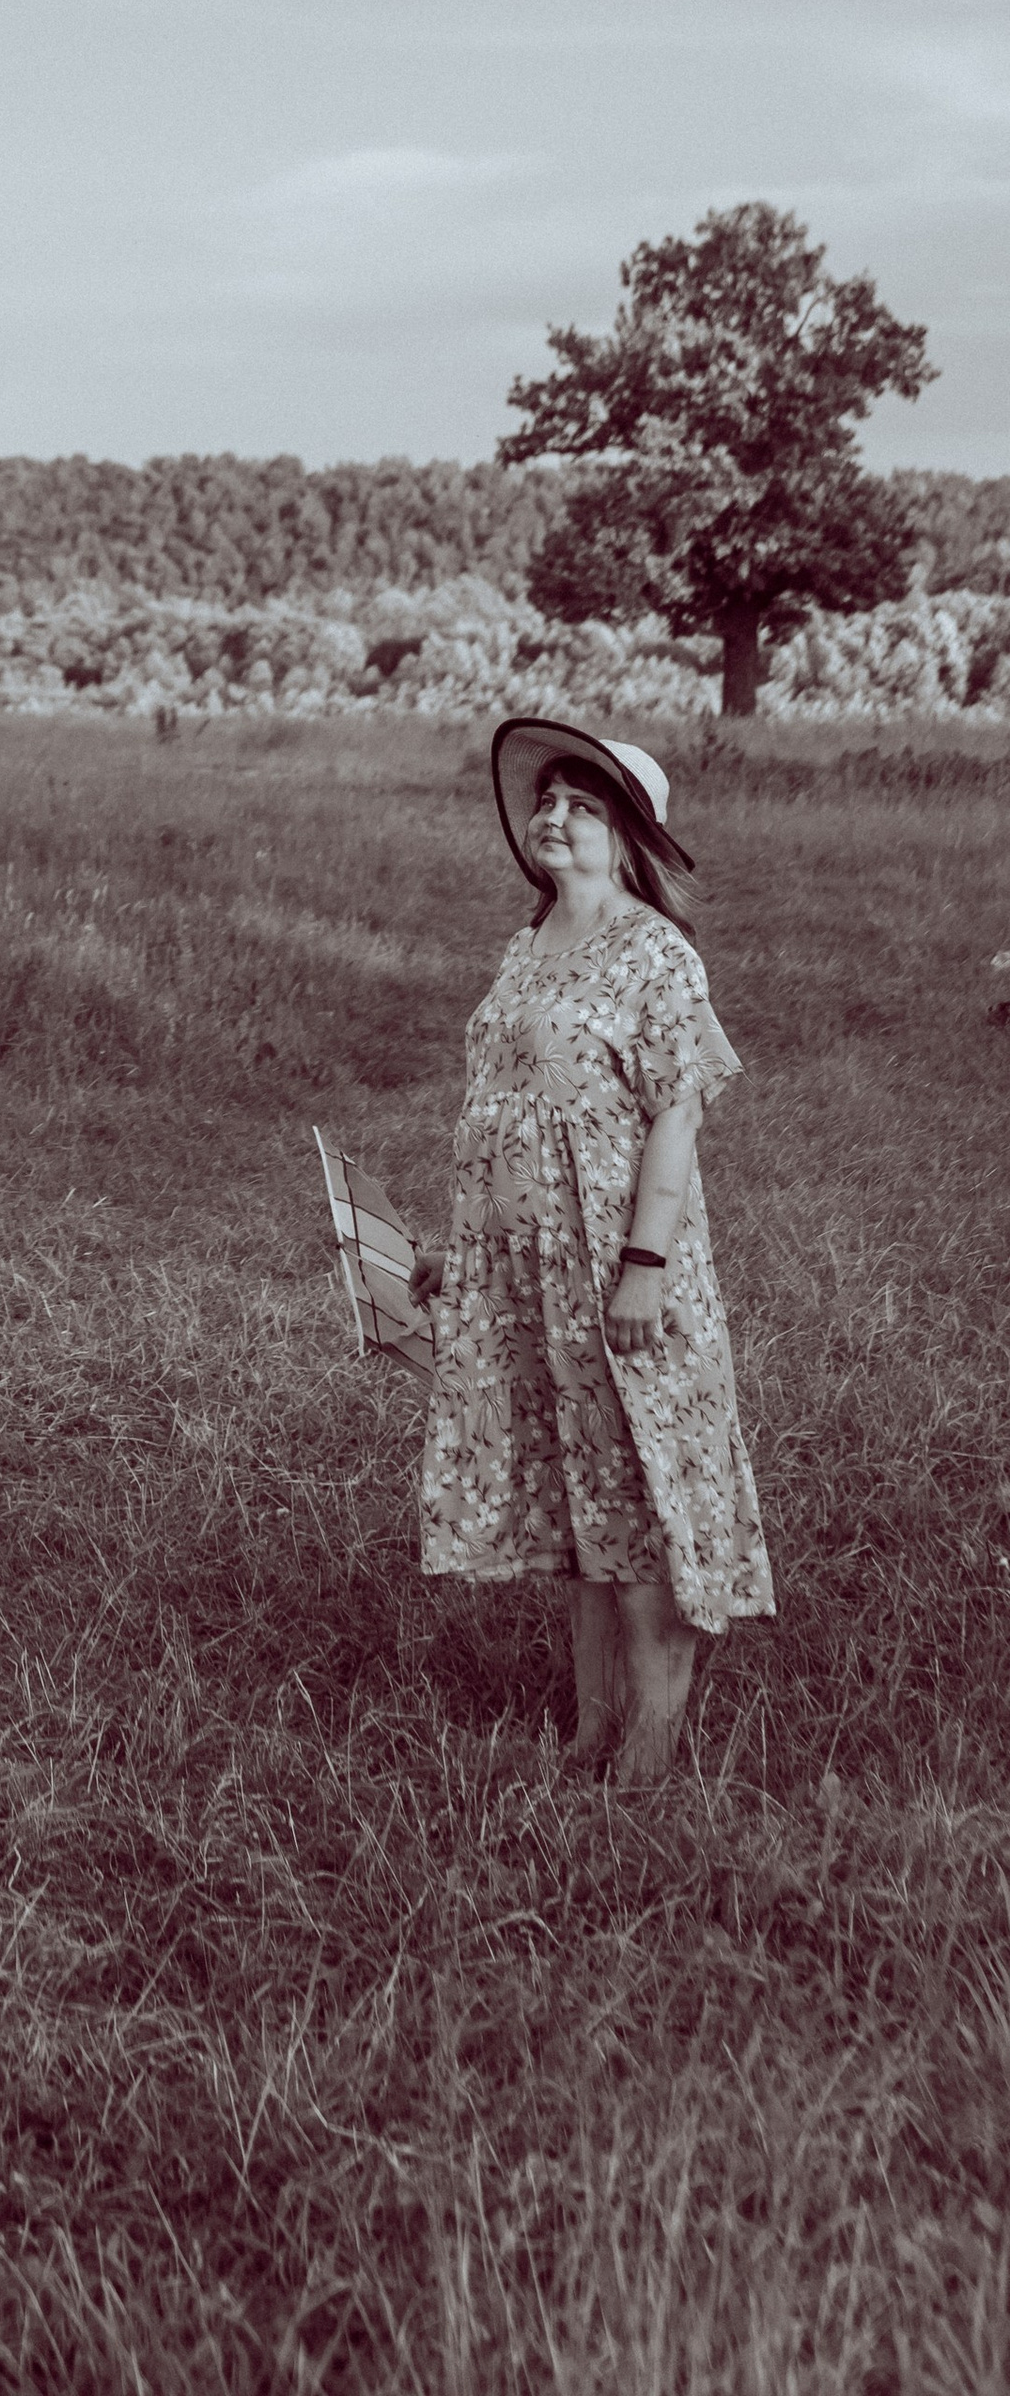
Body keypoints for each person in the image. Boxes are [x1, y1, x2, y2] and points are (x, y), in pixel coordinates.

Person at [415, 718, 772, 1786]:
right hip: (528, 1275)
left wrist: (645, 1265)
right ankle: (590, 1726)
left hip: (617, 1270)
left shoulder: (653, 950)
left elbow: (677, 1114)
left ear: (629, 836)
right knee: (583, 1506)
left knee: (639, 1493)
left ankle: (652, 1744)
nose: (555, 814)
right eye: (549, 800)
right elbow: (505, 1113)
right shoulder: (523, 950)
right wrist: (459, 1252)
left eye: (584, 803)